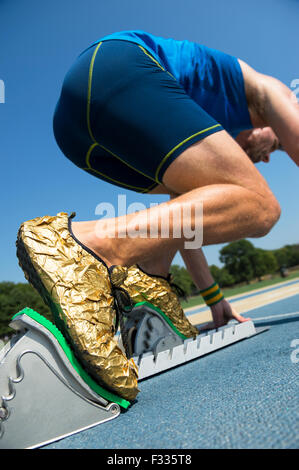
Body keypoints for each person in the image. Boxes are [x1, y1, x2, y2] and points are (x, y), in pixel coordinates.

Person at [16, 30, 299, 403]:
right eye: (273, 147)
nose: (266, 157)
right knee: (261, 207)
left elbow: (185, 222)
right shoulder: (270, 92)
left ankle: (148, 288)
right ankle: (90, 245)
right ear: (271, 126)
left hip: (77, 135)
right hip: (115, 67)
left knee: (201, 207)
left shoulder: (192, 133)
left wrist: (215, 300)